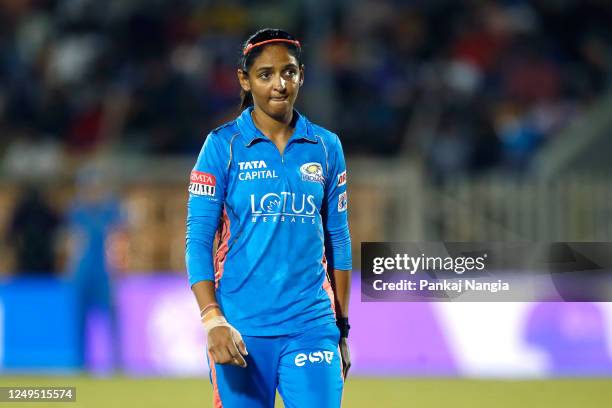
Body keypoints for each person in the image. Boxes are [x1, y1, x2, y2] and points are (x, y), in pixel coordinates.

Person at [185, 28, 352, 407]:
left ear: (302, 74)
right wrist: (213, 320)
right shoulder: (221, 146)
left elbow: (338, 239)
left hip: (311, 325)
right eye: (265, 75)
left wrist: (341, 329)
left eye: (289, 72)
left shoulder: (326, 147)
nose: (280, 84)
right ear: (244, 79)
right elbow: (197, 240)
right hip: (241, 327)